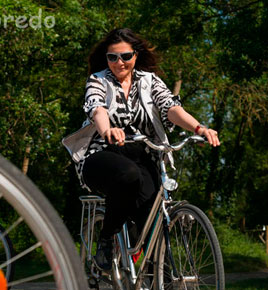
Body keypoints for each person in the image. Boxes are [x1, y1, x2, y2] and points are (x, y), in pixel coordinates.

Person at [75, 28, 220, 270]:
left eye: (125, 56)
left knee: (153, 228)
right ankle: (107, 237)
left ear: (136, 56)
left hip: (142, 156)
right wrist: (107, 130)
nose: (119, 62)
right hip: (102, 154)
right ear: (106, 58)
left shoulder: (149, 81)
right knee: (127, 174)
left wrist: (199, 128)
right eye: (112, 57)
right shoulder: (98, 80)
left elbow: (170, 108)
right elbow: (97, 108)